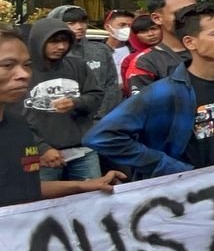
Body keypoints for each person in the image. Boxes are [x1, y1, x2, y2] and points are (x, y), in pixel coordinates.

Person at [85, 3, 214, 177]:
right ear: (190, 42)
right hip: (183, 193)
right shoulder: (162, 93)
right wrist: (166, 166)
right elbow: (102, 137)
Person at [0, 29, 123, 203]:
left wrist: (82, 186)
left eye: (27, 65)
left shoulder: (19, 127)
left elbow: (25, 188)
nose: (24, 74)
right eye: (7, 65)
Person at [24, 16, 105, 184]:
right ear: (39, 41)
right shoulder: (23, 72)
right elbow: (15, 116)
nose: (61, 46)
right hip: (42, 154)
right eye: (53, 41)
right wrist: (42, 148)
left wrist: (76, 102)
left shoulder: (77, 65)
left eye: (65, 41)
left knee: (93, 196)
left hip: (83, 150)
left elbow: (96, 96)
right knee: (43, 198)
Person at [47, 4, 121, 120]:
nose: (79, 27)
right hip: (64, 120)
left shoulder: (100, 50)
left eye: (83, 22)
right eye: (71, 23)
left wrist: (101, 117)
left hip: (103, 119)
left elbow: (111, 86)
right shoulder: (51, 54)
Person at [126, 0, 199, 94]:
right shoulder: (145, 63)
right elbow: (143, 104)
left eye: (194, 11)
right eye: (179, 12)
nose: (189, 17)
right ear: (157, 18)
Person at [119, 14, 160, 96]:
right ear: (135, 35)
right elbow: (128, 88)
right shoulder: (130, 60)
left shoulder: (174, 52)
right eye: (143, 31)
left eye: (153, 28)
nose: (150, 34)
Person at [104, 8, 136, 74]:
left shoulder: (137, 51)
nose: (127, 29)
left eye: (130, 26)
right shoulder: (97, 52)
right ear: (107, 27)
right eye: (122, 25)